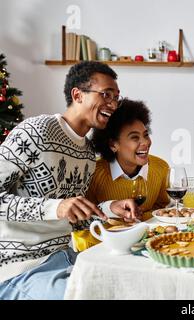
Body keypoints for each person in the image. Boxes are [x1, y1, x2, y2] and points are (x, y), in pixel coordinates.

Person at [0, 61, 140, 300]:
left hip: (64, 258)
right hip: (20, 269)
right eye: (106, 94)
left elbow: (73, 217)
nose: (113, 104)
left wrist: (110, 208)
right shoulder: (35, 132)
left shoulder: (86, 153)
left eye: (116, 97)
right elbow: (58, 208)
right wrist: (56, 206)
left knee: (130, 286)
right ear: (77, 95)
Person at [86, 99, 170, 221]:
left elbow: (162, 210)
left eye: (146, 135)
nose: (146, 142)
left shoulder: (161, 168)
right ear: (113, 145)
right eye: (135, 138)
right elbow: (87, 217)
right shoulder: (94, 172)